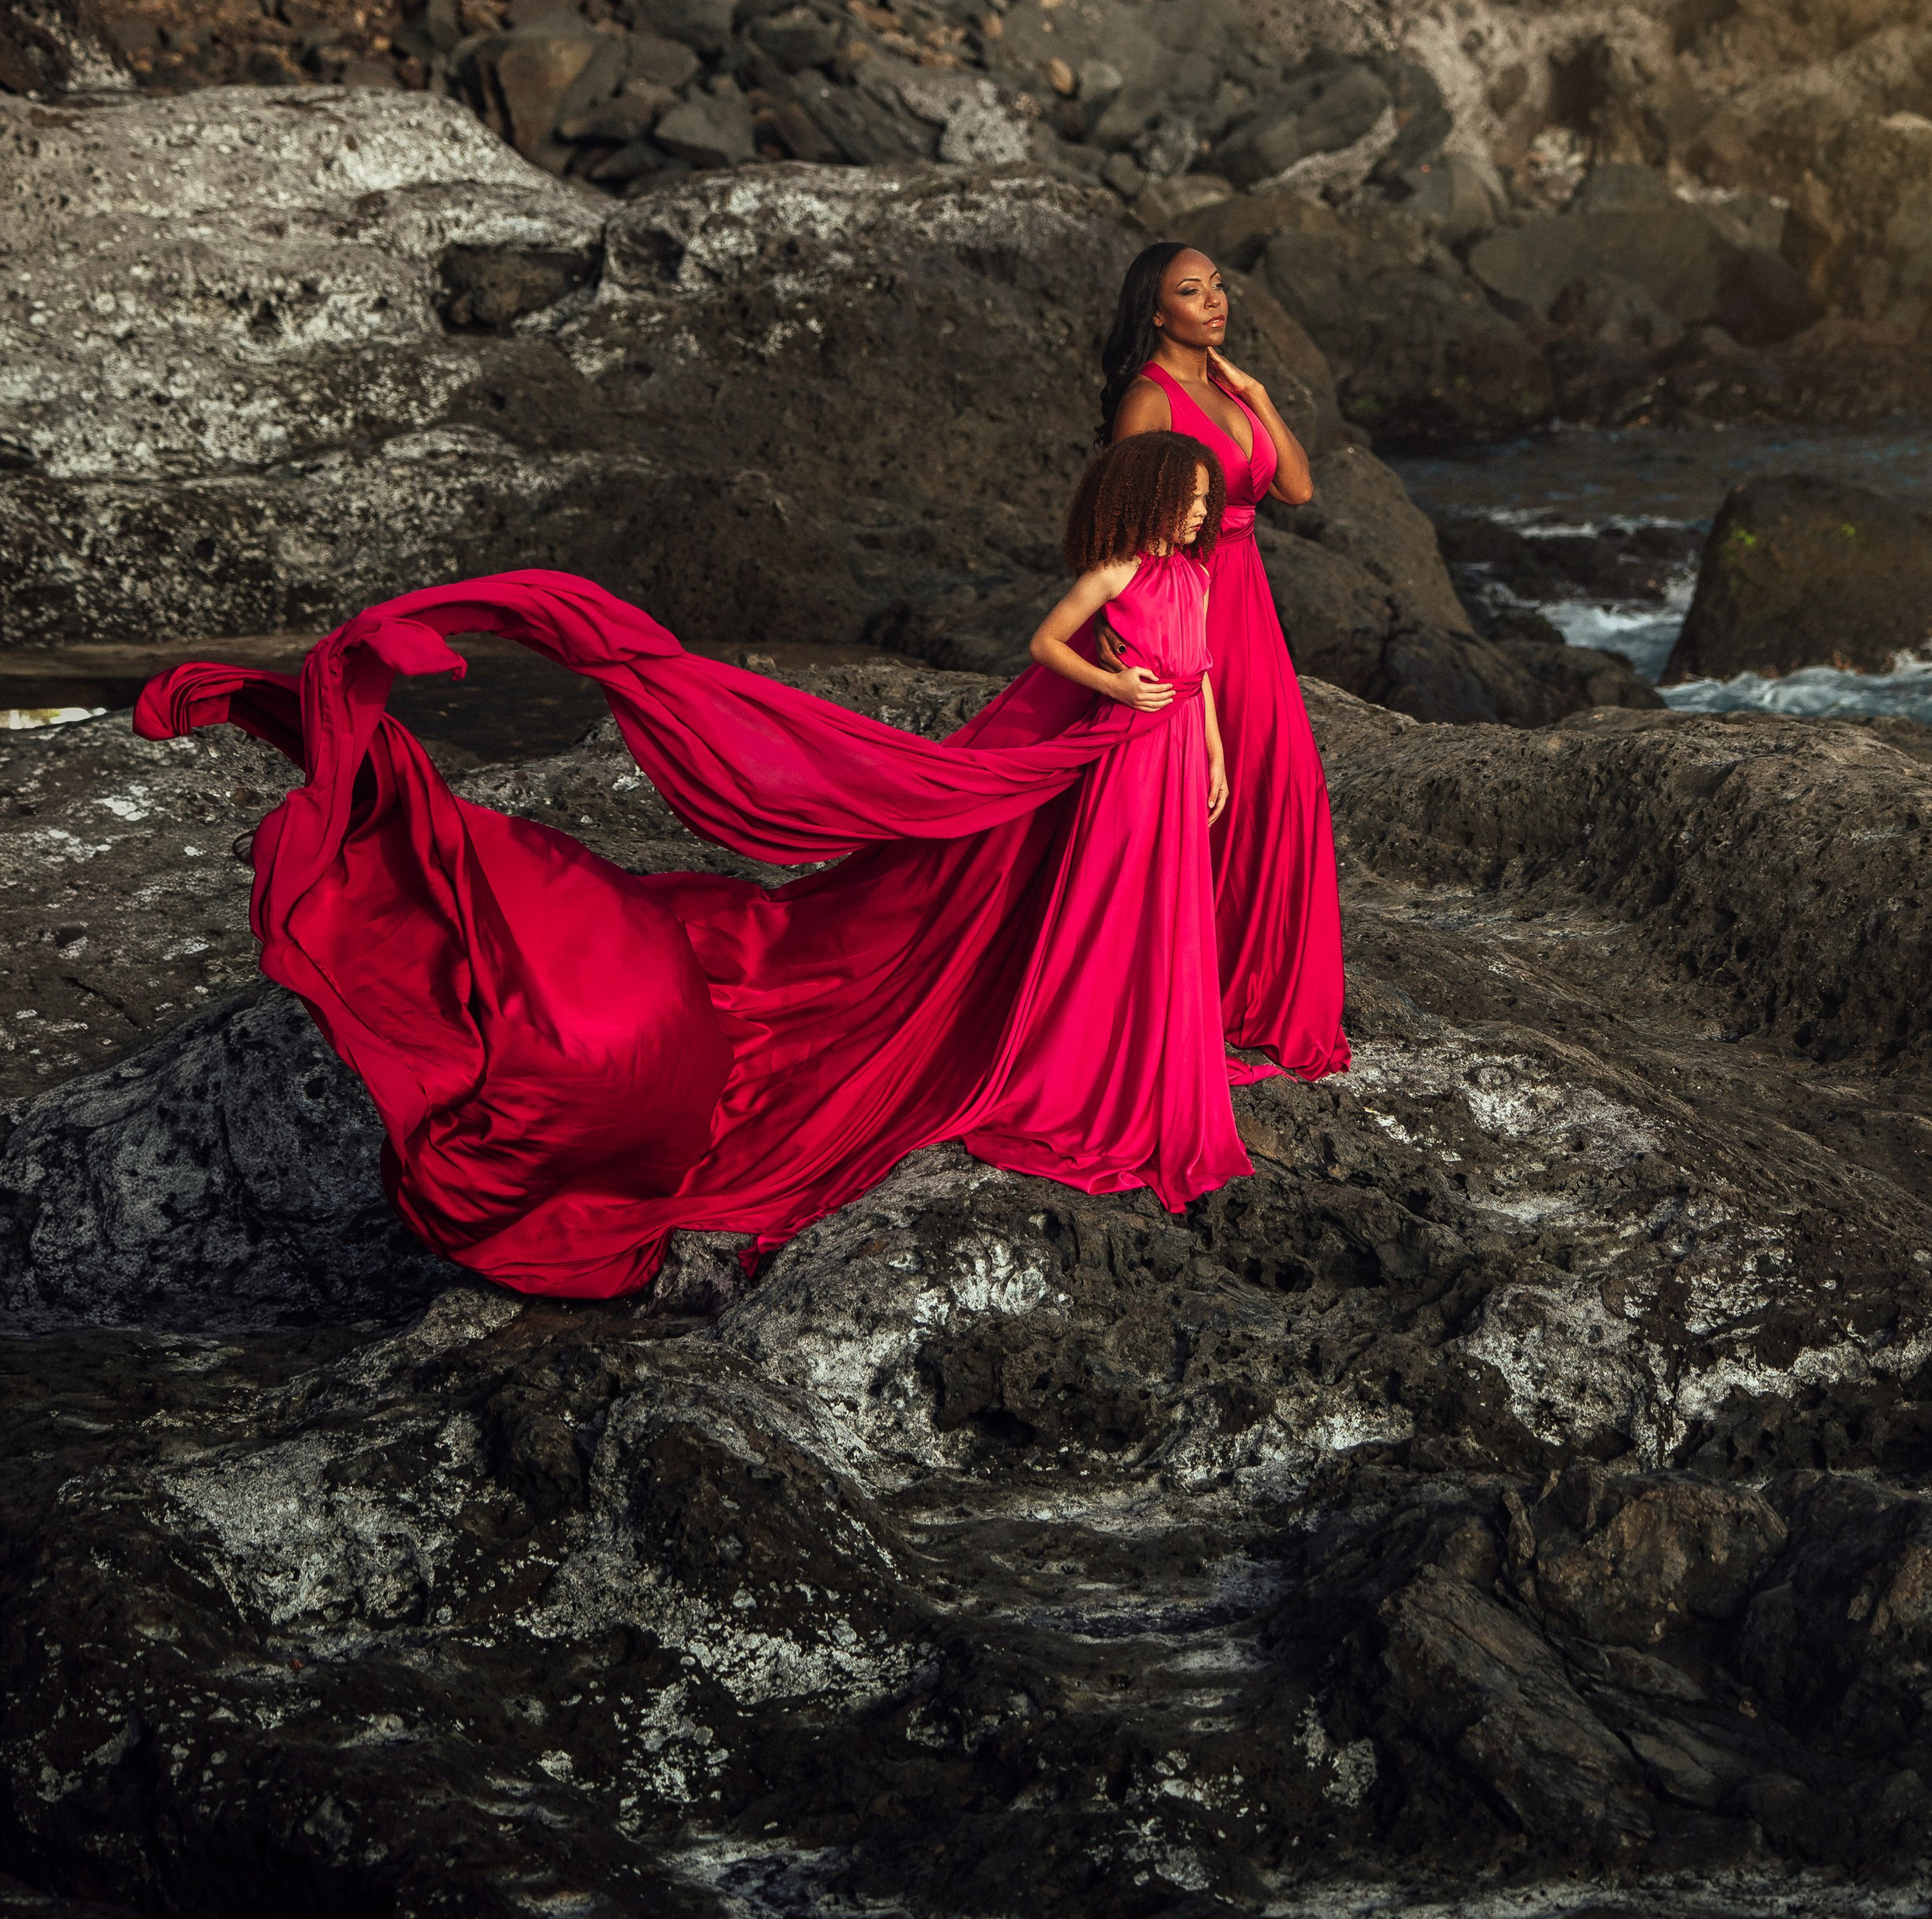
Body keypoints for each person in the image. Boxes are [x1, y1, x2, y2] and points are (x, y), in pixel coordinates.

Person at [135, 432, 1268, 1303]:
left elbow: (1206, 678)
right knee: (1102, 906)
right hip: (1118, 757)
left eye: (1209, 508)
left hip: (1170, 763)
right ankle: (1085, 1044)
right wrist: (1117, 690)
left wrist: (1212, 755)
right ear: (1143, 501)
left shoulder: (1196, 582)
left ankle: (1139, 1039)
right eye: (1190, 504)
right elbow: (1047, 649)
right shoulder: (1120, 571)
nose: (1201, 522)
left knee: (1153, 914)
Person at [1103, 241, 1349, 1079]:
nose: (1213, 301)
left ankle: (1251, 994)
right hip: (1191, 610)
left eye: (1216, 287)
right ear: (1155, 312)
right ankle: (1192, 995)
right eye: (1189, 291)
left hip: (1251, 607)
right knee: (1214, 796)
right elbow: (1123, 542)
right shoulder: (1150, 401)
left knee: (1285, 788)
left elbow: (1298, 489)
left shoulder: (1224, 390)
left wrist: (1261, 396)